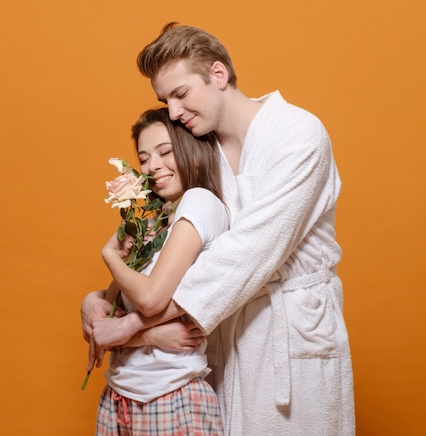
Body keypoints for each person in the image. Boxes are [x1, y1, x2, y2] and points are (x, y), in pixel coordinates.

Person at [83, 22, 355, 435]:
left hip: (292, 333)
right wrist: (96, 300)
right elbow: (165, 256)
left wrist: (132, 327)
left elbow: (246, 255)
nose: (173, 112)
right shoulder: (199, 153)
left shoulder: (299, 136)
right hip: (219, 329)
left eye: (180, 94)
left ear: (218, 75)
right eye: (164, 100)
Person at [91, 107, 229, 435]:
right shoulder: (157, 220)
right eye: (143, 157)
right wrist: (93, 300)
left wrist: (109, 254)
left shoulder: (200, 201)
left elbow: (151, 300)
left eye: (165, 152)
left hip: (170, 397)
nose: (152, 166)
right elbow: (112, 317)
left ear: (192, 150)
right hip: (120, 395)